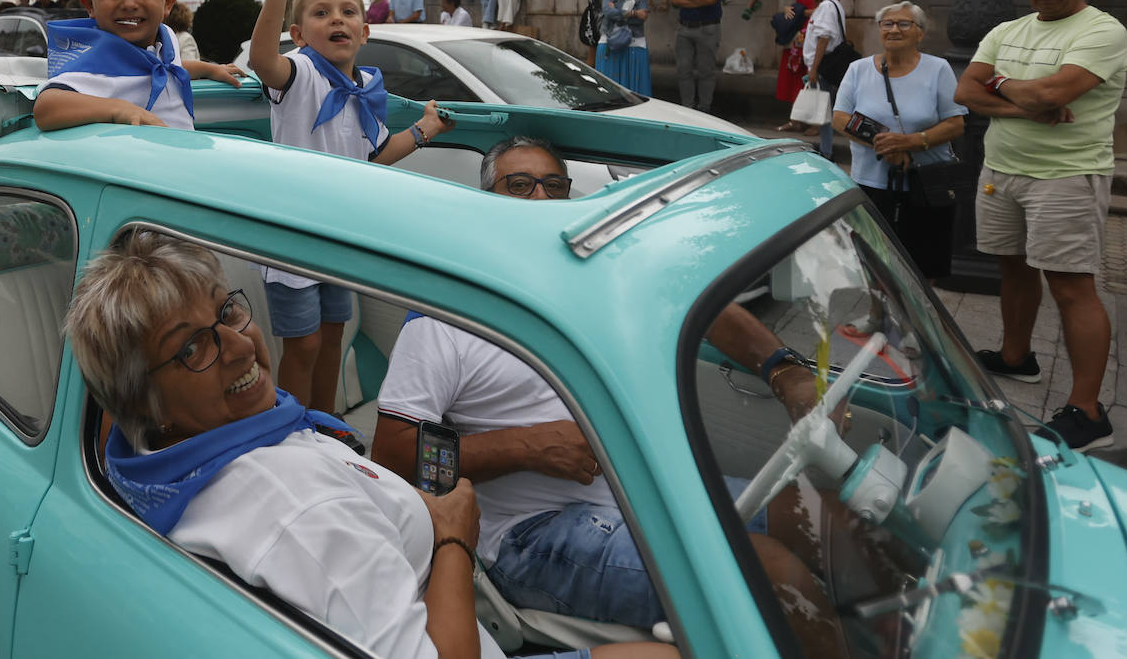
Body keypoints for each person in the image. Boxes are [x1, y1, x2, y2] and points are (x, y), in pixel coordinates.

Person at [65, 230, 677, 659]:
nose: (242, 345)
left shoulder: (219, 445)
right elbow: (388, 461)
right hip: (505, 563)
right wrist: (464, 522)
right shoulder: (298, 506)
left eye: (227, 312)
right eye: (193, 347)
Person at [372, 137, 838, 650]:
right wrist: (524, 447)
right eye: (519, 186)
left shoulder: (592, 274)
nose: (540, 200)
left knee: (821, 515)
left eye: (554, 186)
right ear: (490, 201)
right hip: (529, 536)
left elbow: (698, 304)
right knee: (772, 576)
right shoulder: (446, 318)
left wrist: (783, 371)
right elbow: (395, 454)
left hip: (639, 487)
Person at [237, 0, 456, 414]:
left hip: (340, 235)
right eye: (320, 13)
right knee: (305, 344)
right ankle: (293, 430)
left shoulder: (364, 89)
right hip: (292, 237)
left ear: (364, 31)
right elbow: (262, 62)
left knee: (336, 334)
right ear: (299, 35)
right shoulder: (301, 74)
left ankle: (323, 422)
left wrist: (424, 129)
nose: (336, 18)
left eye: (348, 11)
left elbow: (374, 154)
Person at [954, 0, 1127, 451]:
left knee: (1072, 286)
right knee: (1012, 268)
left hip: (1066, 176)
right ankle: (1017, 358)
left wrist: (1004, 82)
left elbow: (1052, 94)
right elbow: (966, 91)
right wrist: (1023, 104)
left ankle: (1088, 410)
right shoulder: (1007, 29)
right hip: (1001, 169)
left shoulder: (1102, 30)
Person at [32, 0, 245, 132]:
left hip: (181, 160)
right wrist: (118, 109)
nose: (129, 3)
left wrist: (208, 69)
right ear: (89, 4)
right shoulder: (96, 61)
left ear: (168, 2)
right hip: (142, 165)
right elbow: (46, 107)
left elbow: (166, 67)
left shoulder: (165, 34)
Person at [832, 2, 966, 281]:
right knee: (874, 264)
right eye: (887, 23)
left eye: (904, 24)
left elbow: (955, 124)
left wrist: (910, 142)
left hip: (925, 185)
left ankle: (922, 321)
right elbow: (841, 119)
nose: (894, 29)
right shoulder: (858, 69)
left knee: (922, 269)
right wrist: (886, 146)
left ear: (920, 33)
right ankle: (878, 317)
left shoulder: (938, 69)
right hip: (871, 184)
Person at [775, 0, 839, 133]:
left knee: (816, 80)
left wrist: (799, 11)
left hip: (815, 35)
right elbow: (797, 6)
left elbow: (819, 11)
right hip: (800, 36)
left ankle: (817, 123)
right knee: (796, 80)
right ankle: (797, 118)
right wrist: (790, 9)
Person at [670, 0, 723, 113]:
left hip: (708, 27)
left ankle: (704, 108)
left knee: (706, 71)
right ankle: (688, 108)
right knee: (683, 70)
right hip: (684, 27)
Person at [594, 0, 651, 94]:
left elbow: (642, 19)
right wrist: (633, 13)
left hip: (634, 41)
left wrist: (617, 11)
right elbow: (608, 13)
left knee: (635, 90)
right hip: (609, 39)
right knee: (608, 88)